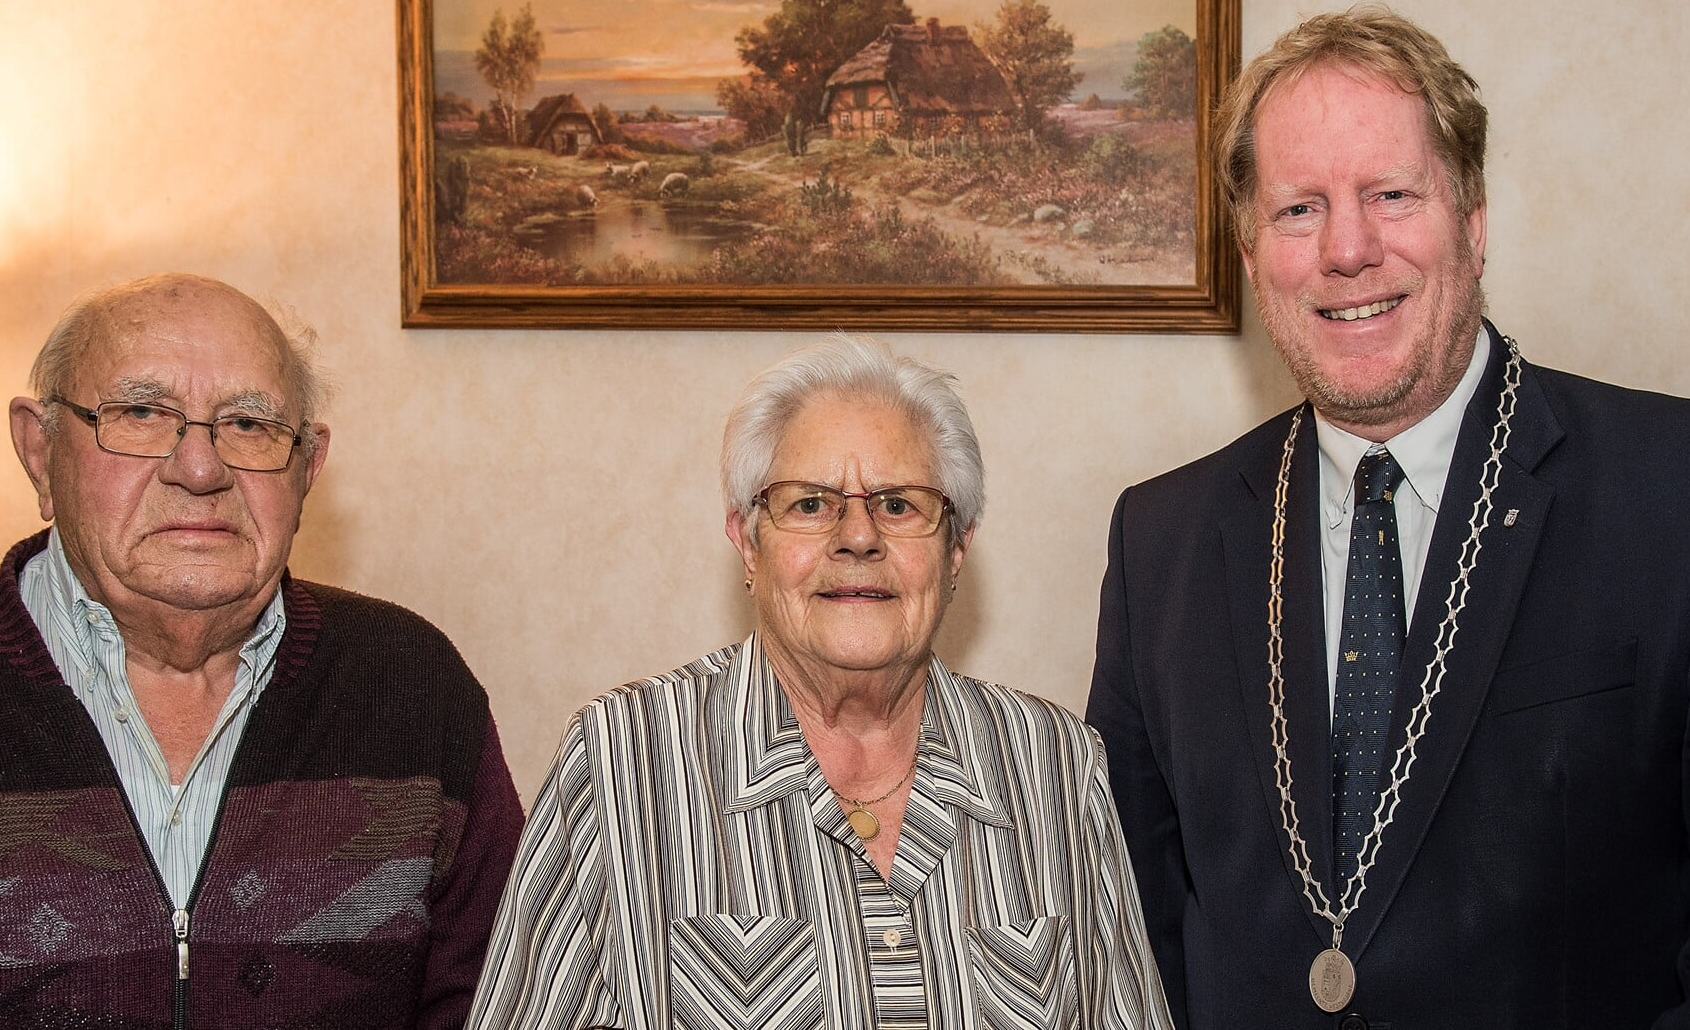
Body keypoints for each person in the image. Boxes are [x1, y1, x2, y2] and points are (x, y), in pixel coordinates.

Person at [1086, 5, 1690, 1028]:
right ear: (1253, 252)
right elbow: (1129, 933)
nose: (1347, 249)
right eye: (1299, 209)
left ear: (1473, 222)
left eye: (1391, 194)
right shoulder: (1159, 542)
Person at [0, 273, 524, 1028]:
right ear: (39, 451)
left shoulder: (413, 689)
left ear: (307, 468)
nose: (200, 470)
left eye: (249, 425)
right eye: (140, 413)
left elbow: (502, 1004)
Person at [468, 335, 1171, 1028]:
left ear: (957, 549)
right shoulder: (619, 761)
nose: (858, 537)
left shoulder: (1057, 764)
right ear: (748, 542)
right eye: (810, 504)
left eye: (898, 504)